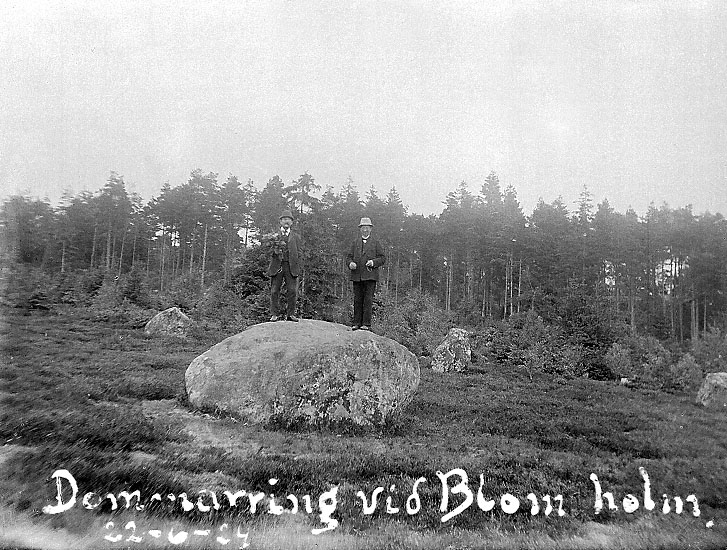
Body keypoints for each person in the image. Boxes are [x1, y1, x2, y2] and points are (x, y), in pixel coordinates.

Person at [346, 217, 385, 330]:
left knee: (368, 300)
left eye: (367, 228)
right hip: (357, 276)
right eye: (363, 228)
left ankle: (366, 324)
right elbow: (348, 257)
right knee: (357, 299)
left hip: (370, 276)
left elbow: (383, 258)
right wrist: (350, 263)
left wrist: (373, 262)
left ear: (371, 229)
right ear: (360, 229)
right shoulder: (355, 243)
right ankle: (356, 323)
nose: (365, 230)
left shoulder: (375, 243)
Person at [267, 209, 301, 322]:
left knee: (292, 291)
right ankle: (274, 314)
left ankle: (290, 314)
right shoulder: (274, 236)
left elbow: (300, 252)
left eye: (289, 219)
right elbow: (268, 251)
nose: (286, 221)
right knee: (274, 291)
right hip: (277, 266)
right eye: (284, 219)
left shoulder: (296, 236)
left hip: (291, 267)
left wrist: (298, 265)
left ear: (292, 222)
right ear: (280, 221)